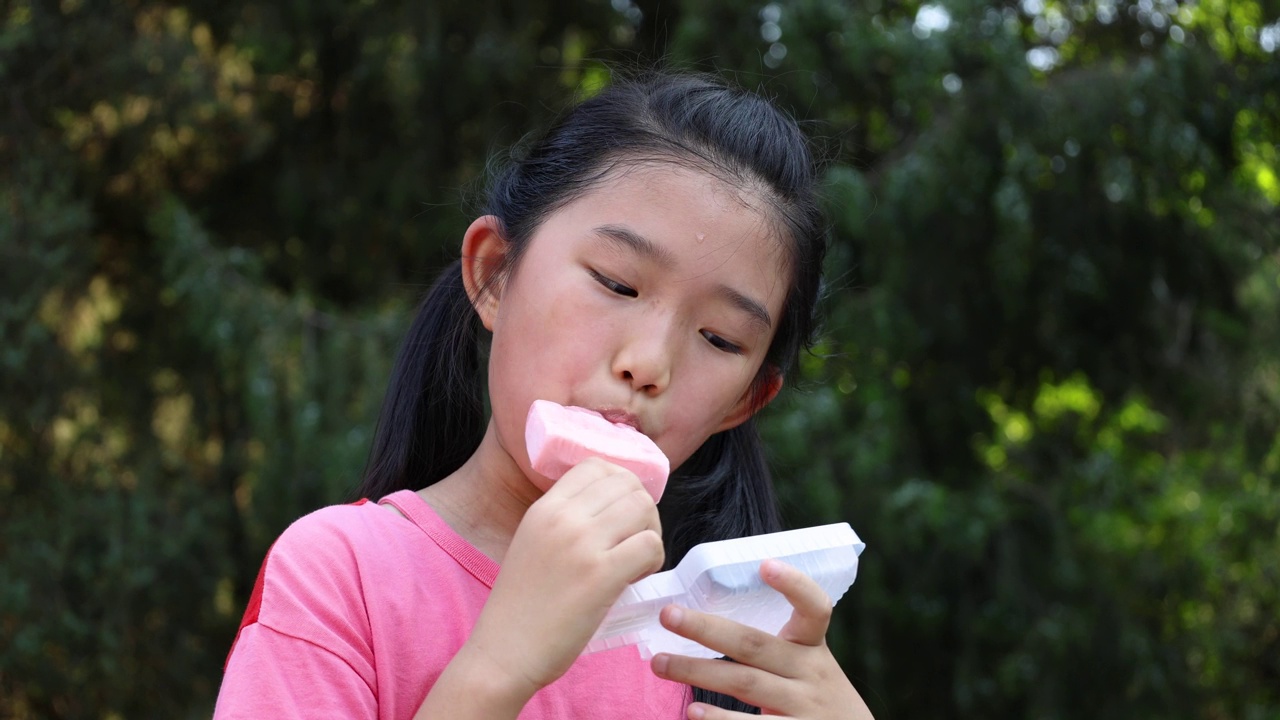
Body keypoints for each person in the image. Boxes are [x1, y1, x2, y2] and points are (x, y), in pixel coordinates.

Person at [215, 69, 874, 720]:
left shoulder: (718, 657)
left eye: (720, 338)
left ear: (744, 402)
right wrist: (499, 666)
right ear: (495, 273)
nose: (648, 364)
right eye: (617, 284)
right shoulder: (341, 576)